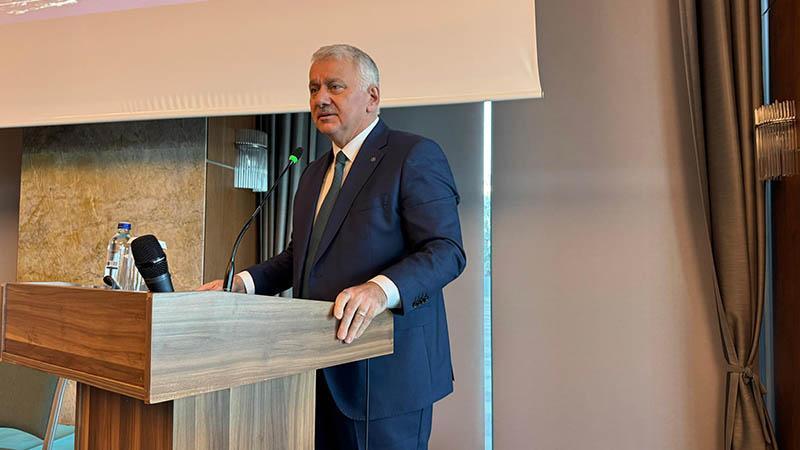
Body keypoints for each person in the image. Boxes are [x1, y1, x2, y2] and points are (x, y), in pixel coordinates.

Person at [200, 44, 465, 450]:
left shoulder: (412, 155)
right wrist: (242, 284)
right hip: (316, 373)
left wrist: (379, 290)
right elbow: (299, 258)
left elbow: (446, 250)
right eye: (313, 88)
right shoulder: (310, 174)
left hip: (386, 378)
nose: (320, 98)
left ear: (372, 97)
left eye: (335, 87)